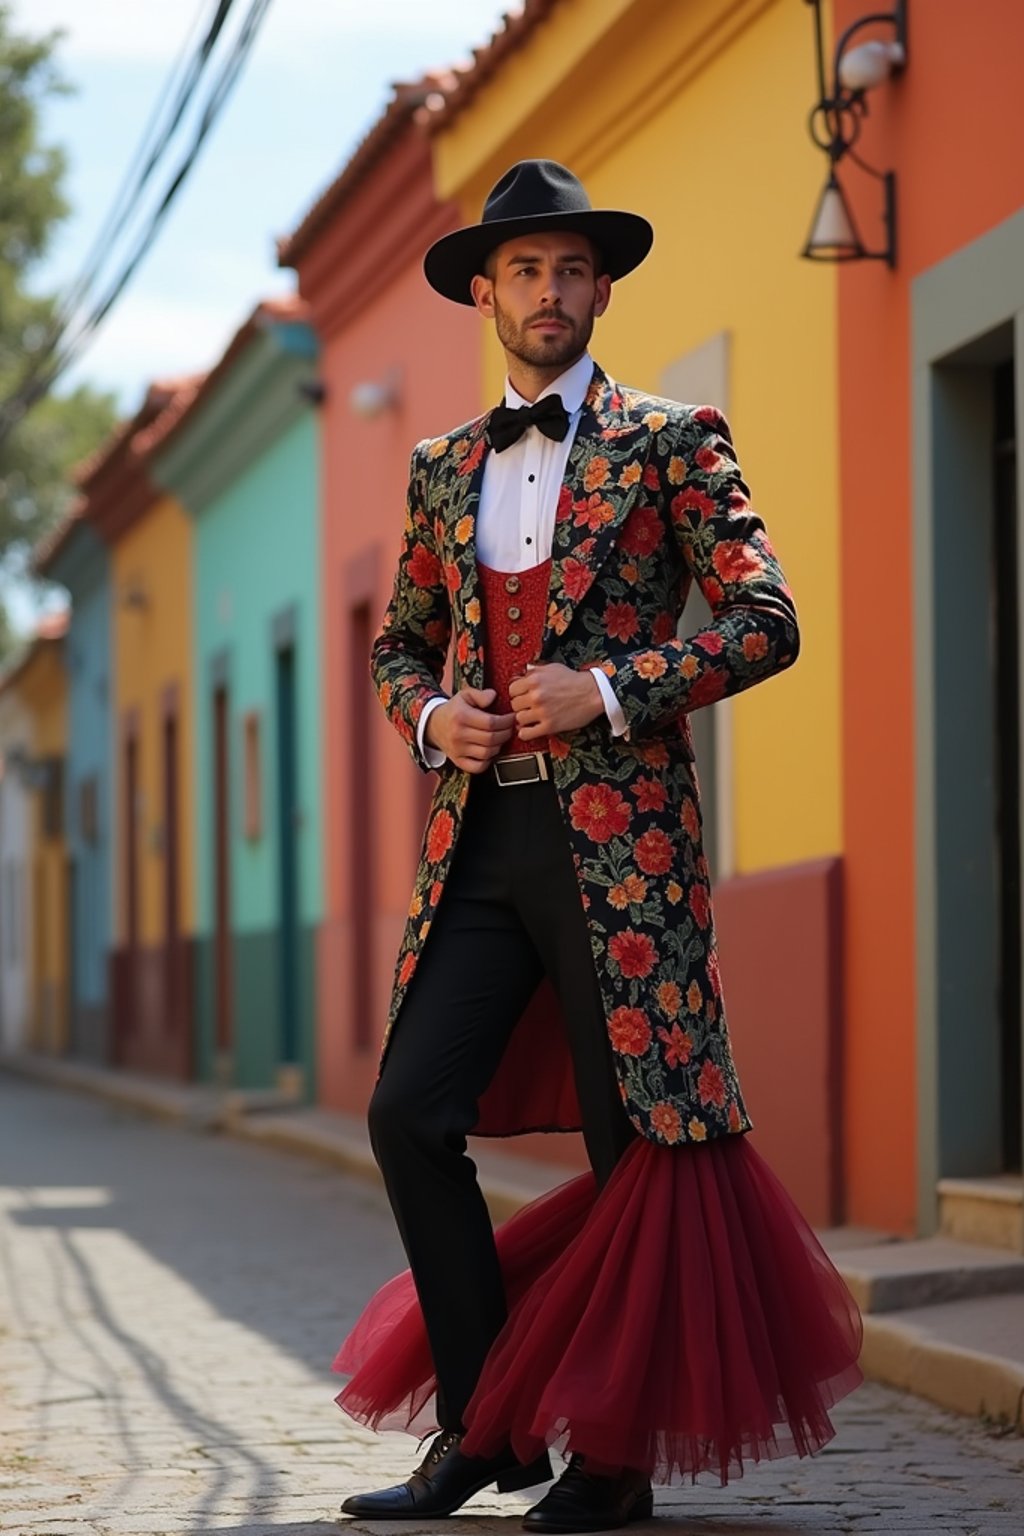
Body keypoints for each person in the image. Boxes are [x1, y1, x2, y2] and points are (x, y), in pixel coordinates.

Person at [335, 159, 863, 1532]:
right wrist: (433, 712)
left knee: (636, 1150)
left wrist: (614, 688)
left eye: (572, 269)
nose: (551, 292)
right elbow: (399, 646)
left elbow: (766, 617)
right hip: (482, 848)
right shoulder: (443, 466)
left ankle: (614, 1466)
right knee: (409, 1112)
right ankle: (485, 1425)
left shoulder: (672, 438)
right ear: (488, 294)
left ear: (601, 288)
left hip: (627, 858)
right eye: (527, 271)